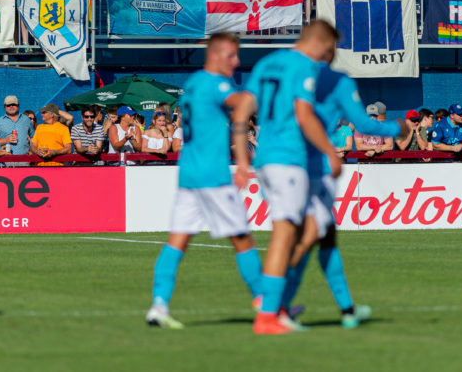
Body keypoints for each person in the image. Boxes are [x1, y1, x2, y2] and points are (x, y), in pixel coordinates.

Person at [278, 60, 409, 329]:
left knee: (325, 238)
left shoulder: (287, 76)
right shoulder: (336, 82)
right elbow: (362, 123)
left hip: (298, 165)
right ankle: (277, 304)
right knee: (309, 238)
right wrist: (397, 128)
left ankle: (347, 310)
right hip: (317, 170)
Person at [145, 33, 263, 329]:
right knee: (242, 240)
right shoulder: (216, 83)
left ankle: (159, 305)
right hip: (213, 176)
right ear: (217, 54)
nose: (237, 62)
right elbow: (244, 101)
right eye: (232, 55)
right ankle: (269, 305)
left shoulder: (193, 84)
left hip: (189, 175)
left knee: (177, 241)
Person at [247, 20, 342, 335]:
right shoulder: (303, 66)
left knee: (302, 232)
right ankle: (267, 313)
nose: (327, 58)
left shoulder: (267, 62)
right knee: (285, 234)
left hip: (265, 157)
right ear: (321, 43)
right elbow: (304, 115)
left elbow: (243, 108)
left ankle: (275, 305)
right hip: (288, 157)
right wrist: (330, 151)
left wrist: (241, 147)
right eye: (329, 51)